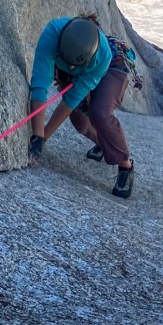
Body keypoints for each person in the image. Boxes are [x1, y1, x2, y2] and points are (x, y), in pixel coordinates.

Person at [26, 15, 135, 199]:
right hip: (81, 63)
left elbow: (72, 99)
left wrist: (44, 137)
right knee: (80, 122)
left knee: (100, 113)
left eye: (72, 64)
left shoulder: (102, 56)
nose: (69, 67)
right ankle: (103, 144)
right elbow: (39, 86)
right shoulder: (52, 34)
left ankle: (125, 166)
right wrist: (38, 135)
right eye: (67, 63)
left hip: (111, 67)